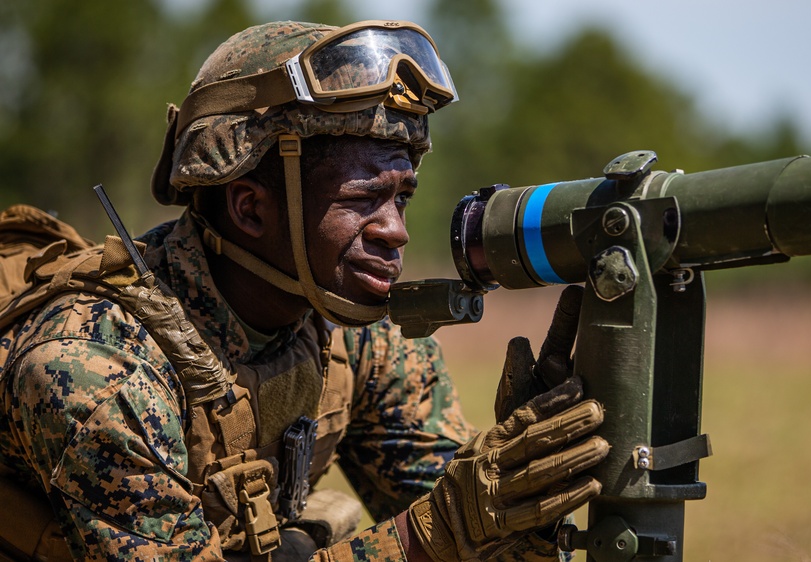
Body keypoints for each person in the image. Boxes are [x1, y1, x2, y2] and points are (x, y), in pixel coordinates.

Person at [0, 19, 609, 562]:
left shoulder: (358, 336)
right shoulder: (96, 369)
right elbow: (442, 528)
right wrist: (441, 531)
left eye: (402, 197)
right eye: (362, 199)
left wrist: (522, 491)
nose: (396, 231)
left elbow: (469, 522)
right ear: (251, 207)